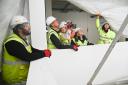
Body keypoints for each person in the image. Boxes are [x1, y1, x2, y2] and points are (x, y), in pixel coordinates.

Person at [2, 16, 52, 85]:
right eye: (26, 25)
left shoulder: (23, 39)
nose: (29, 27)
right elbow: (27, 56)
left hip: (21, 75)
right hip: (15, 79)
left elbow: (32, 49)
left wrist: (43, 51)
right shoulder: (12, 42)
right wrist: (44, 54)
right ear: (19, 28)